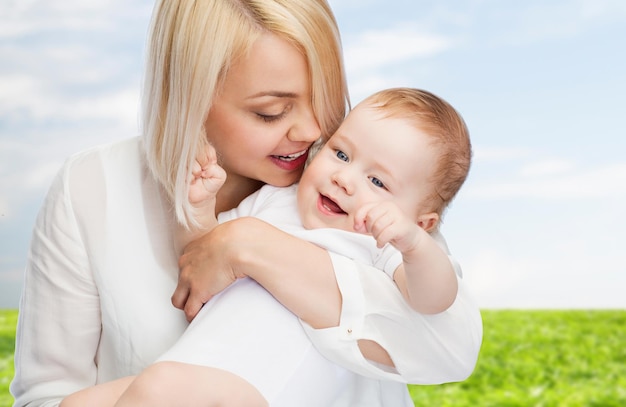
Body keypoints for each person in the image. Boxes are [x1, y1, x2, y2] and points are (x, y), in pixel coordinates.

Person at [11, 0, 482, 406]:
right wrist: (205, 220)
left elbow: (449, 345)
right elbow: (199, 259)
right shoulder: (91, 187)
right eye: (270, 112)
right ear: (189, 97)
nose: (313, 132)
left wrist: (251, 246)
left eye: (325, 98)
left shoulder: (378, 204)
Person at [62, 86, 474, 407]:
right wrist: (199, 209)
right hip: (201, 360)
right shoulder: (275, 202)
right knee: (80, 402)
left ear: (423, 222)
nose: (345, 179)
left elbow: (433, 301)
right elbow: (202, 260)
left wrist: (416, 245)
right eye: (342, 153)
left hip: (259, 383)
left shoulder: (382, 246)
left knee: (160, 387)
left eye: (378, 182)